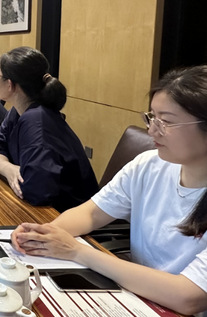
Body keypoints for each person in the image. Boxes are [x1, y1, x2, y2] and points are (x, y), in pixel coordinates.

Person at [11, 65, 207, 316]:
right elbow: (91, 213)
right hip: (137, 296)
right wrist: (44, 236)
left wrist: (78, 252)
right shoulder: (148, 165)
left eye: (166, 121)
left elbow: (189, 297)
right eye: (152, 118)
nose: (152, 131)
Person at [0, 46, 97, 211]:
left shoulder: (36, 120)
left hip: (64, 215)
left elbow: (36, 192)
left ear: (10, 84)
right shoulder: (17, 111)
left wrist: (5, 167)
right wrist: (8, 169)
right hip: (43, 208)